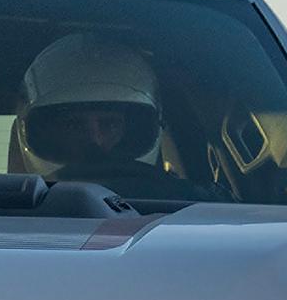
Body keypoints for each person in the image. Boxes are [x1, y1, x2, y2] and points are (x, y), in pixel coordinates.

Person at [15, 33, 205, 200]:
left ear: (132, 130)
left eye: (109, 125)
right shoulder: (8, 217)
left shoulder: (186, 206)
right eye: (74, 125)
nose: (95, 140)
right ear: (46, 133)